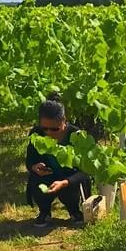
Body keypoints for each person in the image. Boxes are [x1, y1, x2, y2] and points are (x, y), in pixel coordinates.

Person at [25, 95, 92, 227]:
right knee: (37, 182)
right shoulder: (36, 134)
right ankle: (44, 212)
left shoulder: (77, 135)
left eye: (54, 128)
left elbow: (85, 171)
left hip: (69, 177)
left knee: (70, 190)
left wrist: (65, 182)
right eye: (45, 128)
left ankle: (74, 210)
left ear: (64, 121)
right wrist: (34, 167)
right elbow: (30, 159)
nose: (49, 132)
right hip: (47, 175)